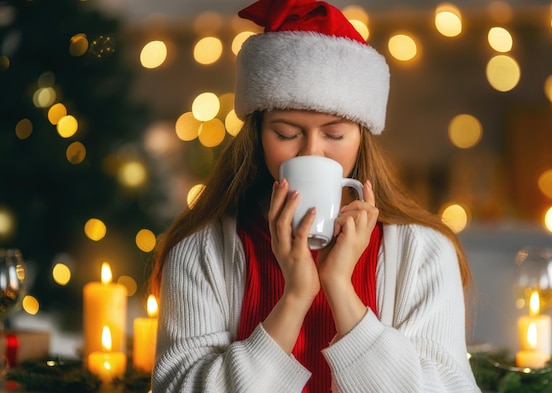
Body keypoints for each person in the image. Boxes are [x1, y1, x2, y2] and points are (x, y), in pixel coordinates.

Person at [150, 0, 480, 391]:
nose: (311, 153)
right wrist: (295, 297)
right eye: (286, 134)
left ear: (362, 138)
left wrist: (340, 287)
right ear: (257, 135)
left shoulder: (423, 252)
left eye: (335, 134)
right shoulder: (202, 250)